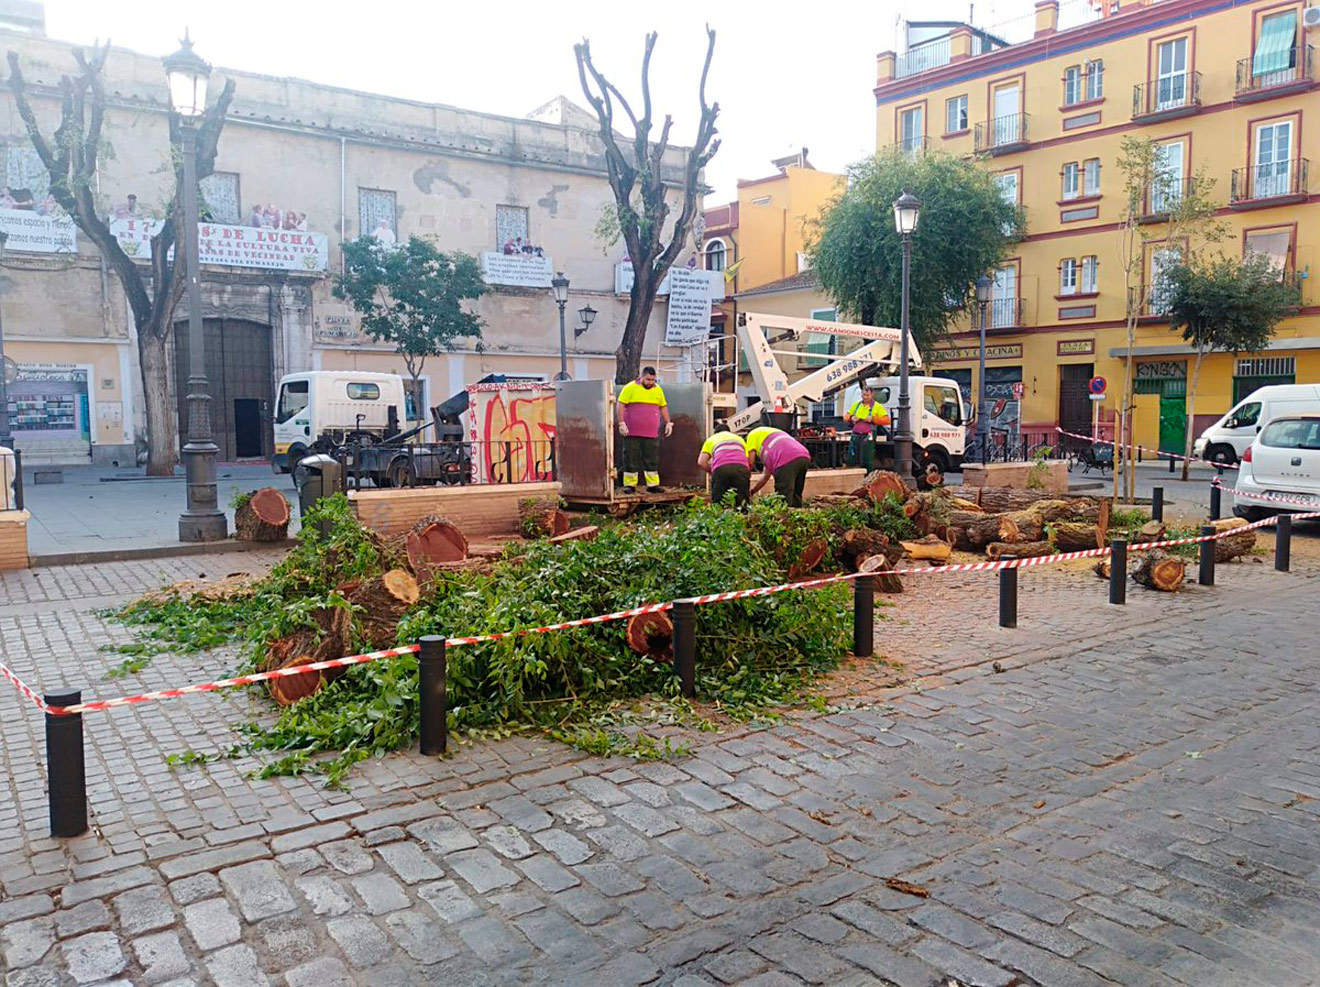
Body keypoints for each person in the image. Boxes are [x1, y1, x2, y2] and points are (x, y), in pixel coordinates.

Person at [616, 366, 672, 492]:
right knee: (630, 457)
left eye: (653, 380)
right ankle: (630, 485)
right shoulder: (630, 387)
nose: (651, 382)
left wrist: (668, 422)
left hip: (651, 432)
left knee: (651, 458)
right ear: (641, 377)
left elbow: (663, 406)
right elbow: (620, 404)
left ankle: (652, 485)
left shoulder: (657, 389)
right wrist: (621, 423)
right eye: (648, 379)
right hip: (631, 431)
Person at [746, 425, 812, 507]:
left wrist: (745, 478)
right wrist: (752, 491)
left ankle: (784, 514)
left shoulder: (752, 434)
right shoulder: (773, 435)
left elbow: (750, 462)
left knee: (783, 497)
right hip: (803, 455)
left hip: (785, 458)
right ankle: (797, 511)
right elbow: (766, 476)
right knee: (796, 494)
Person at [697, 430, 750, 508]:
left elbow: (701, 462)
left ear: (716, 433)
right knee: (742, 502)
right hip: (741, 468)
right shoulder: (740, 439)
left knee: (718, 503)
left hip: (721, 468)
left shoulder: (712, 439)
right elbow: (748, 460)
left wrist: (713, 472)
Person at [843, 386, 890, 470]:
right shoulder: (857, 405)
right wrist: (851, 418)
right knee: (851, 457)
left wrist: (873, 419)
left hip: (868, 436)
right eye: (864, 395)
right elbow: (846, 416)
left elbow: (887, 420)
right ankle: (851, 473)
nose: (865, 397)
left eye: (867, 395)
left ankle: (868, 475)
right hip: (856, 435)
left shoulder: (877, 406)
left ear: (872, 395)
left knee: (867, 458)